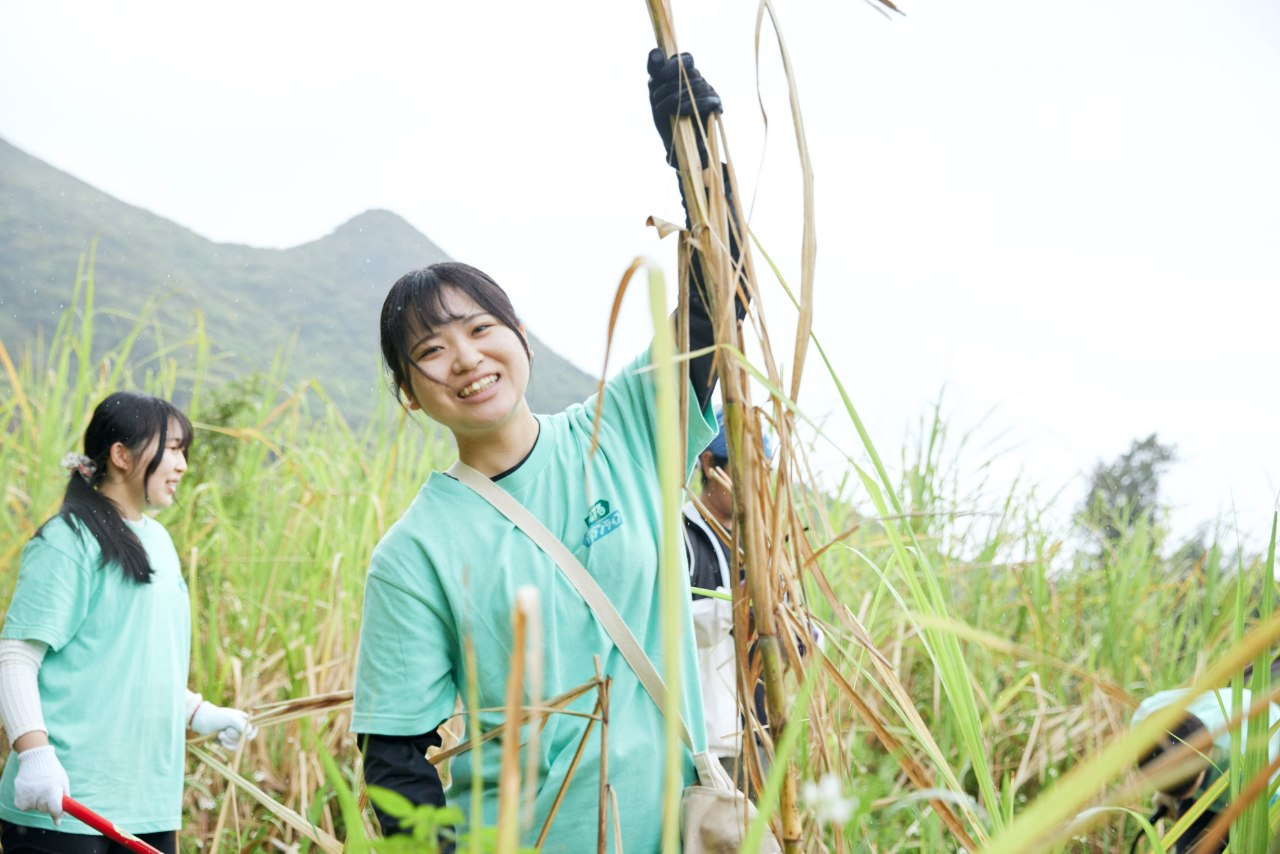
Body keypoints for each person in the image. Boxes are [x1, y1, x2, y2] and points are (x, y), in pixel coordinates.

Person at [351, 50, 744, 851]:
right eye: (430, 351)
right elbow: (394, 761)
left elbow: (718, 299)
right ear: (409, 393)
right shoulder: (415, 553)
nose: (465, 359)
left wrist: (699, 160)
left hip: (677, 832)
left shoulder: (625, 426)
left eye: (480, 329)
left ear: (521, 337)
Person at [0, 392, 256, 854]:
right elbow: (16, 658)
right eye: (171, 449)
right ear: (120, 455)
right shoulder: (67, 541)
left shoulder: (159, 541)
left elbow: (132, 662)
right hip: (67, 806)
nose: (181, 465)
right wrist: (34, 754)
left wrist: (197, 713)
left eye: (183, 451)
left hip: (147, 806)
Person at [1129, 686, 1280, 853]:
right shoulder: (1145, 717)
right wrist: (1167, 793)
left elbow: (1272, 816)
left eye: (1194, 787)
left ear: (1208, 754)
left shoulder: (1254, 759)